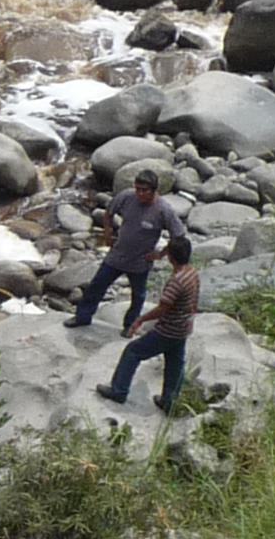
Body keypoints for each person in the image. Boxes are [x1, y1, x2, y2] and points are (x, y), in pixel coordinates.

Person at [69, 170, 194, 331]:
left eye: (144, 190)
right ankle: (82, 317)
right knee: (96, 287)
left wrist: (160, 254)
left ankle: (130, 325)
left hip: (140, 262)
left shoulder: (163, 210)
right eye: (138, 189)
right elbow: (109, 213)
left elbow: (179, 236)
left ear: (154, 190)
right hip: (117, 256)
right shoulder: (127, 197)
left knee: (138, 297)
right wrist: (107, 233)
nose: (140, 194)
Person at [99, 248, 200, 416]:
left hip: (168, 329)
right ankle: (169, 400)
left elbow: (162, 308)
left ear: (171, 258)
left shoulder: (176, 282)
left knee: (133, 351)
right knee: (175, 363)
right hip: (184, 327)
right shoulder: (192, 273)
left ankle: (119, 390)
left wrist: (140, 320)